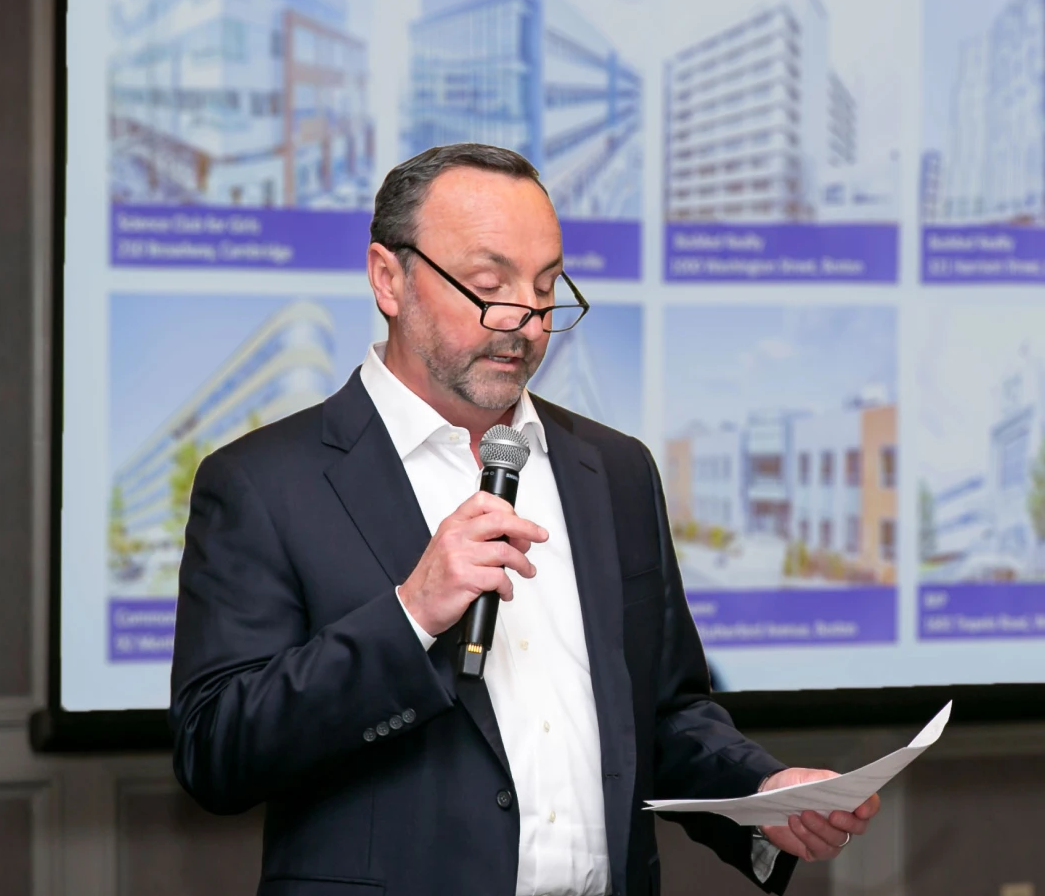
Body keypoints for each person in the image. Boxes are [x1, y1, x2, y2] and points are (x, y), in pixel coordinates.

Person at [169, 143, 877, 896]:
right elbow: (216, 749)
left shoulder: (615, 470)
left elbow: (665, 712)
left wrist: (764, 792)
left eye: (545, 289)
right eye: (488, 285)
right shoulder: (264, 482)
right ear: (388, 278)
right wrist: (410, 614)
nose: (526, 322)